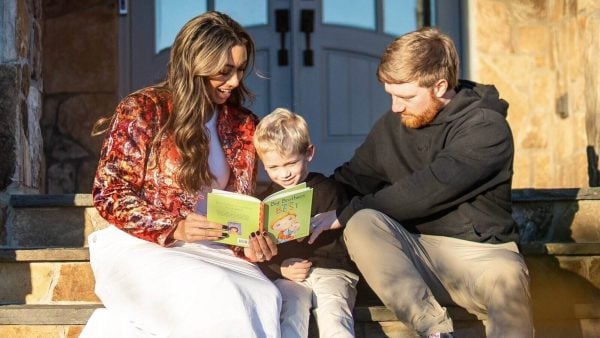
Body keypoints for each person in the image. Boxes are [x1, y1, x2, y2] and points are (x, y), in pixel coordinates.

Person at [310, 27, 534, 338]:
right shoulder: (394, 124)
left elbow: (427, 189)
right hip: (415, 256)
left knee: (507, 277)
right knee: (362, 222)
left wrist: (345, 213)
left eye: (405, 96)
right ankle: (435, 331)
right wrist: (291, 203)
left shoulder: (486, 128)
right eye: (390, 95)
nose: (395, 107)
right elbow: (349, 180)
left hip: (481, 257)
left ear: (440, 86)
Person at [80, 11, 281, 338]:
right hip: (145, 245)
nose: (234, 82)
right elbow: (111, 193)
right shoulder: (143, 108)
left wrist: (252, 244)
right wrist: (174, 227)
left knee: (265, 295)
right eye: (224, 71)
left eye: (240, 70)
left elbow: (240, 207)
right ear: (195, 65)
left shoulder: (243, 124)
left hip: (214, 247)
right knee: (218, 291)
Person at [254, 108, 359, 338]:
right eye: (273, 167)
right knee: (289, 313)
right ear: (263, 165)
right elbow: (261, 255)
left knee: (334, 315)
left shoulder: (330, 190)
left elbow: (350, 236)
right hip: (290, 275)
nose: (284, 174)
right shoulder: (264, 204)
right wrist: (280, 267)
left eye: (290, 163)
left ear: (309, 153)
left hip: (331, 270)